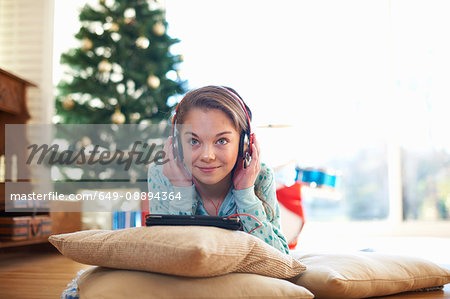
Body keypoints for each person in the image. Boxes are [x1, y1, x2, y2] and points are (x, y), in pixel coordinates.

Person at [147, 85, 290, 254]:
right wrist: (181, 189)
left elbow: (280, 257)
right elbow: (163, 254)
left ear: (244, 144)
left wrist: (245, 194)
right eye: (193, 141)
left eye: (222, 141)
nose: (207, 156)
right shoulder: (161, 174)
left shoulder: (260, 176)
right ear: (177, 144)